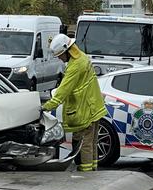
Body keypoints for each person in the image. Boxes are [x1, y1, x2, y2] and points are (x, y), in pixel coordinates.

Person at [42, 33, 107, 172]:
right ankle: (93, 169)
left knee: (85, 144)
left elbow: (63, 91)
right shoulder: (82, 57)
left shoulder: (75, 66)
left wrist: (46, 106)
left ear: (67, 51)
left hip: (85, 111)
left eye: (60, 55)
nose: (59, 58)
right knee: (92, 142)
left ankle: (86, 172)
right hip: (94, 107)